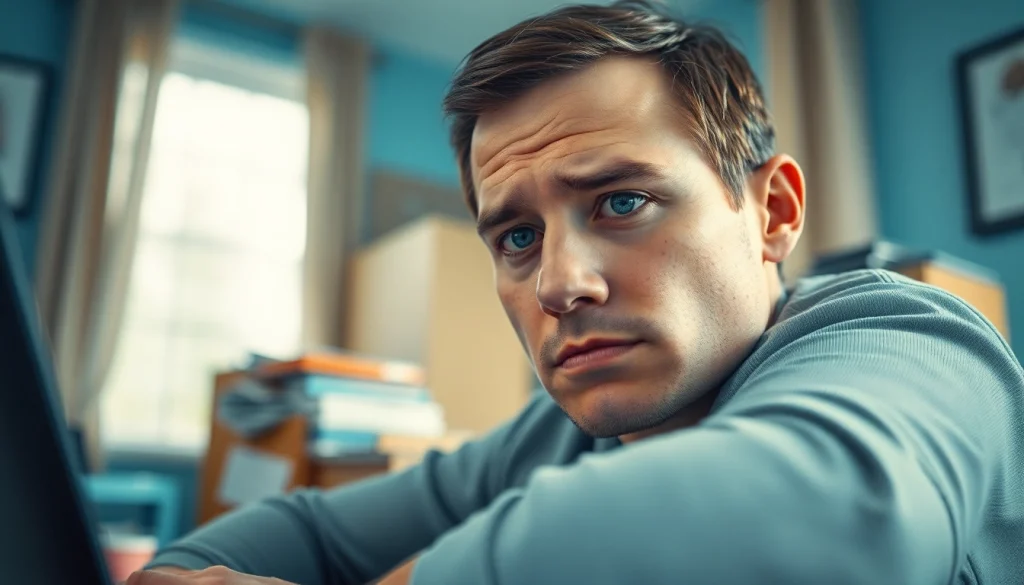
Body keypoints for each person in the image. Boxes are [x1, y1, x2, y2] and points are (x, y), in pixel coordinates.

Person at [128, 2, 1024, 584]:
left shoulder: (911, 339)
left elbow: (826, 517)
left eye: (622, 202)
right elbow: (291, 537)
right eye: (518, 237)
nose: (560, 283)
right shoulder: (555, 435)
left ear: (774, 211)